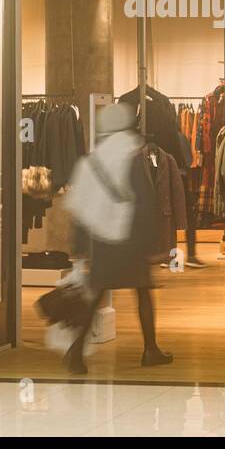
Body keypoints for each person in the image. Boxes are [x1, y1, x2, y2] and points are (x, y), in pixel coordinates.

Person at [61, 102, 173, 374]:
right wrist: (152, 242)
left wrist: (78, 248)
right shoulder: (131, 155)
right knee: (143, 292)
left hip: (101, 239)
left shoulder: (91, 161)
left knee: (98, 291)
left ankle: (76, 352)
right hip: (129, 236)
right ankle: (150, 349)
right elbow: (144, 200)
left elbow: (78, 205)